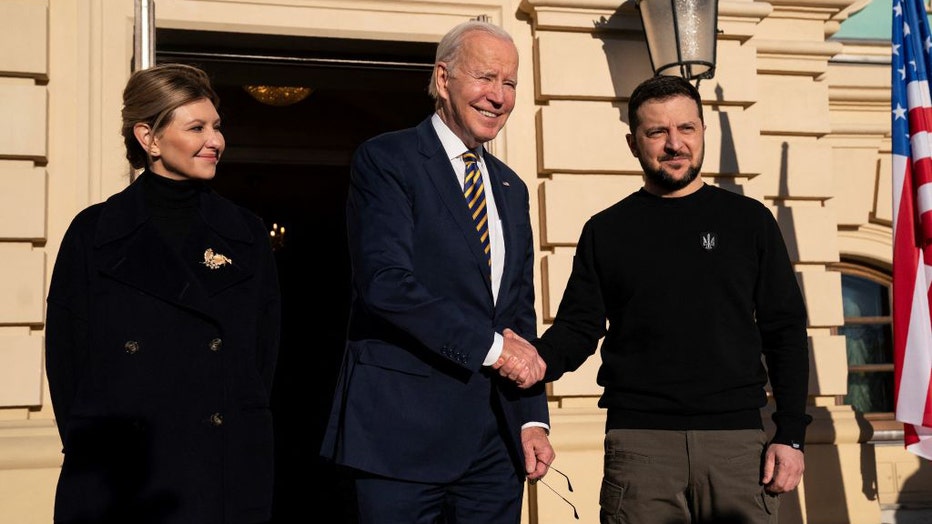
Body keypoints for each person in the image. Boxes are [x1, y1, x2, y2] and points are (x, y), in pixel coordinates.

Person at [529, 74, 811, 524]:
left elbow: (785, 332)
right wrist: (532, 361)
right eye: (657, 131)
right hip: (640, 447)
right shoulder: (607, 231)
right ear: (633, 142)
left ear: (703, 132)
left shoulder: (749, 222)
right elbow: (579, 328)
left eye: (686, 128)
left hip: (737, 446)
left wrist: (791, 434)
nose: (674, 144)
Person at [319, 20, 554, 524]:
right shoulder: (387, 159)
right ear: (443, 78)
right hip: (401, 437)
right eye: (486, 78)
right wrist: (494, 350)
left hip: (494, 445)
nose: (499, 96)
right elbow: (386, 284)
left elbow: (517, 312)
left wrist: (532, 418)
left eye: (510, 83)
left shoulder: (512, 188)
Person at [45, 63, 282, 524]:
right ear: (148, 138)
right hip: (121, 474)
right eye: (196, 127)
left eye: (216, 126)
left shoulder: (247, 235)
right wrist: (90, 446)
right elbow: (66, 357)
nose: (215, 141)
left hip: (219, 470)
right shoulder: (93, 232)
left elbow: (261, 357)